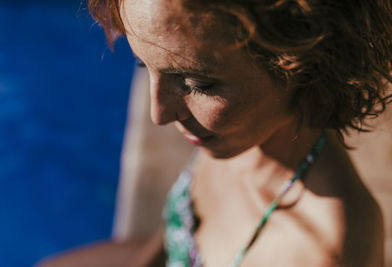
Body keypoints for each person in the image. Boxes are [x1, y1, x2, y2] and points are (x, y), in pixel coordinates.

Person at [39, 0, 392, 266]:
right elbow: (169, 245)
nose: (159, 114)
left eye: (197, 84)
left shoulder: (322, 250)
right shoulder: (238, 136)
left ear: (308, 62)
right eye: (143, 65)